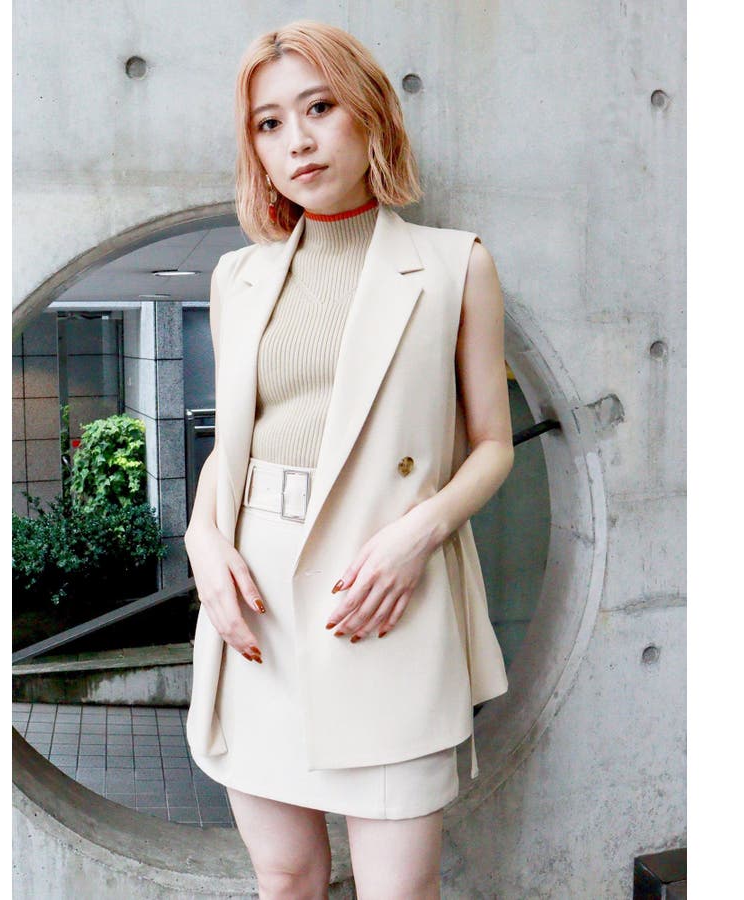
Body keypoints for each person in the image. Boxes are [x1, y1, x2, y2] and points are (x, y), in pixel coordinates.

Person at [184, 20, 514, 899]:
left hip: (380, 592)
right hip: (254, 602)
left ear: (370, 113)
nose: (297, 140)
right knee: (285, 876)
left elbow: (492, 445)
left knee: (399, 889)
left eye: (319, 107)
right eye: (269, 123)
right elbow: (234, 445)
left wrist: (418, 537)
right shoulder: (237, 277)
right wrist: (201, 542)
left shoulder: (454, 266)